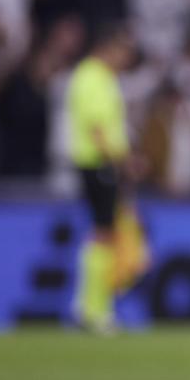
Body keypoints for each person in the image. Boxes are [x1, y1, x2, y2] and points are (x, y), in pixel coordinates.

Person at [65, 23, 134, 333]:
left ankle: (86, 307)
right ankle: (97, 311)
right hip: (98, 163)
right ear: (107, 48)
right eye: (122, 53)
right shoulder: (92, 77)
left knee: (101, 233)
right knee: (104, 234)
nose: (125, 60)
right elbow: (97, 127)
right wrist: (120, 159)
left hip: (98, 163)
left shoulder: (97, 77)